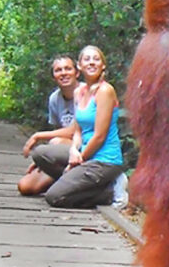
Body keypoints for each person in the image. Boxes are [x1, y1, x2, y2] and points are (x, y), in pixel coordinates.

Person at [31, 45, 126, 208]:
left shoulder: (105, 91)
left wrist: (78, 160)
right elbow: (77, 130)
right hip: (83, 151)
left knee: (54, 197)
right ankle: (78, 182)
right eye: (87, 59)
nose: (91, 63)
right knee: (40, 154)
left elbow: (99, 136)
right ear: (79, 66)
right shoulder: (79, 92)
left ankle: (111, 191)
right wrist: (74, 150)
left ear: (103, 65)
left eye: (96, 59)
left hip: (104, 160)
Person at [18, 55, 78, 196]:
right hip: (64, 152)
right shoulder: (54, 99)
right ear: (53, 77)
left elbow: (74, 131)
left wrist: (39, 136)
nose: (63, 73)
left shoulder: (86, 93)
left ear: (77, 73)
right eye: (58, 70)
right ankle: (61, 178)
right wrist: (44, 160)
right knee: (25, 186)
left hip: (84, 149)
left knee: (54, 141)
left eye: (68, 69)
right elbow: (59, 130)